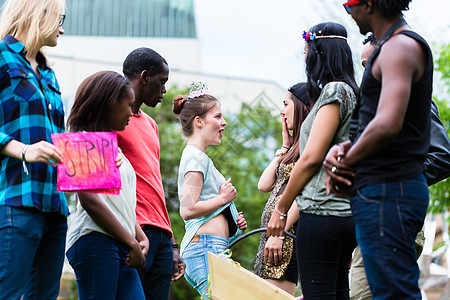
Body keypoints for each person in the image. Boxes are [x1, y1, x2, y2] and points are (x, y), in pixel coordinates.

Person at [323, 1, 434, 298]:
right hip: (382, 192)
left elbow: (387, 125)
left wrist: (343, 161)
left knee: (394, 295)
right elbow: (378, 122)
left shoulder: (400, 47)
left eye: (349, 7)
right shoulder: (389, 49)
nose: (350, 14)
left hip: (390, 192)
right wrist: (344, 147)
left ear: (369, 3)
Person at [266, 22, 359, 299]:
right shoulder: (351, 92)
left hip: (322, 213)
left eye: (306, 49)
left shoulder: (335, 93)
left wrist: (281, 209)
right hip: (343, 214)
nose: (304, 57)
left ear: (319, 53)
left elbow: (311, 158)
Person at [0, 0, 68, 298]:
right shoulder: (2, 58)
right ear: (39, 14)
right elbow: (30, 145)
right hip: (16, 203)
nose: (63, 29)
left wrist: (97, 162)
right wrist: (23, 150)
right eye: (60, 18)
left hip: (55, 206)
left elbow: (58, 140)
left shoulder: (48, 73)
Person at [65, 71, 148, 299]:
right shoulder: (83, 140)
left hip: (121, 241)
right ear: (110, 103)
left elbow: (119, 203)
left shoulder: (113, 147)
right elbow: (90, 200)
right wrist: (132, 241)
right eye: (129, 105)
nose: (132, 112)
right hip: (95, 239)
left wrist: (141, 237)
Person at [119, 47, 185, 300]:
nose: (165, 91)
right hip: (134, 232)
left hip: (161, 236)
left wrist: (172, 242)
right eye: (162, 81)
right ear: (145, 77)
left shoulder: (151, 124)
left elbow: (154, 183)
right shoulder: (111, 119)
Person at [173, 82, 247, 297]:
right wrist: (223, 199)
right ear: (199, 121)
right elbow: (188, 209)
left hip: (211, 246)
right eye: (217, 116)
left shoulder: (198, 157)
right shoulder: (196, 157)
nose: (223, 122)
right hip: (203, 249)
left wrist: (232, 221)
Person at [253, 82, 310, 295]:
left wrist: (280, 233)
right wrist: (285, 147)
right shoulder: (293, 147)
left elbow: (303, 193)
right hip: (272, 237)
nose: (282, 110)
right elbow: (264, 185)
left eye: (286, 104)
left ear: (302, 106)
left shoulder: (310, 145)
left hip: (284, 239)